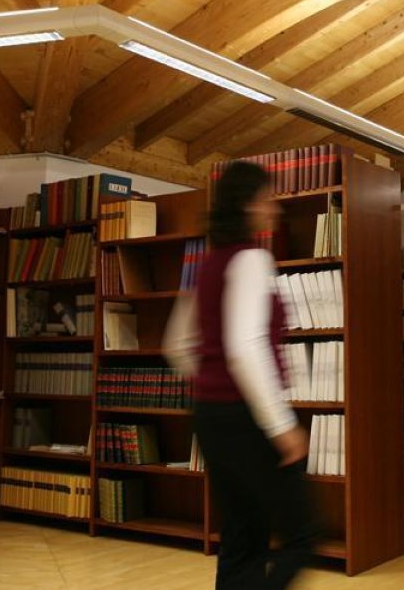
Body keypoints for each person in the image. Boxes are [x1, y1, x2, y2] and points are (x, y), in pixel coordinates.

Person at [165, 161, 316, 590]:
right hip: (246, 418)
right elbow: (246, 348)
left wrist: (210, 382)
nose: (275, 209)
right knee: (302, 536)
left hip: (211, 416)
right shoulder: (251, 260)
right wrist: (281, 425)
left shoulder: (208, 265)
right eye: (268, 199)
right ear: (248, 204)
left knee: (242, 536)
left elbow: (176, 346)